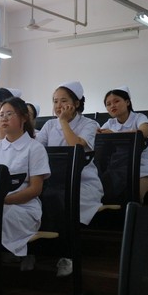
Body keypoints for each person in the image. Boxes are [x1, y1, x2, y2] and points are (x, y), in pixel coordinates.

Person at [36, 81, 104, 277]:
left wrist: (64, 122)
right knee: (35, 197)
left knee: (60, 200)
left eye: (63, 101)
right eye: (55, 101)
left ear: (76, 103)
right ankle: (34, 252)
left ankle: (67, 254)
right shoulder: (49, 125)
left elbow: (77, 148)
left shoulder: (89, 124)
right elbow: (36, 150)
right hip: (52, 181)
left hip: (82, 183)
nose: (58, 105)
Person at [0, 97, 50, 271]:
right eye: (1, 114)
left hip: (24, 208)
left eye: (9, 114)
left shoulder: (35, 148)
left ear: (24, 118)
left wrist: (3, 201)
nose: (3, 118)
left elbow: (35, 188)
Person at [97, 86, 148, 202]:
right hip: (116, 169)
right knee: (99, 192)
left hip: (141, 169)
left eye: (116, 101)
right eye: (108, 104)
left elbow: (143, 132)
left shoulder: (139, 117)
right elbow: (99, 138)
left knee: (134, 195)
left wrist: (114, 135)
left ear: (127, 102)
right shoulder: (110, 123)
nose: (112, 106)